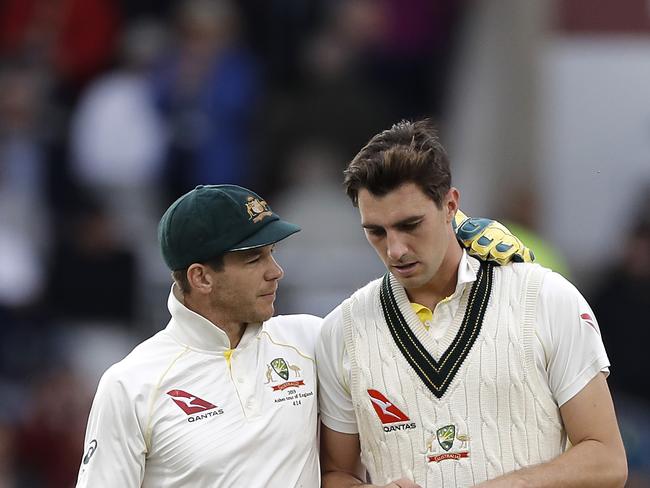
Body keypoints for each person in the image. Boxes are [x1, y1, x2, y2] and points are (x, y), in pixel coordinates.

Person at [316, 120, 628, 487]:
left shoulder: (545, 298)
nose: (395, 249)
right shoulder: (343, 329)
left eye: (410, 224)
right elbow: (335, 473)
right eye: (376, 231)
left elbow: (607, 460)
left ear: (450, 205)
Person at [75, 184, 321, 487]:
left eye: (272, 253)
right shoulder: (131, 384)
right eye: (254, 258)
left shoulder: (310, 339)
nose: (276, 271)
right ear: (201, 277)